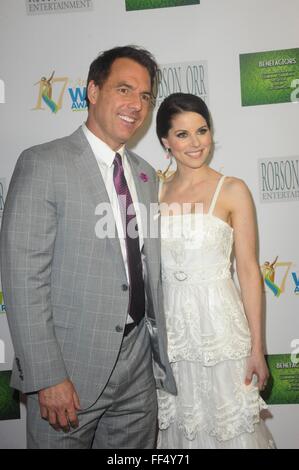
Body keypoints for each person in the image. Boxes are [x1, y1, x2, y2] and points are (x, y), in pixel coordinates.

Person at [0, 45, 176, 449]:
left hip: (138, 369)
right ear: (93, 91)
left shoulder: (147, 176)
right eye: (125, 90)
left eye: (146, 96)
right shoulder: (44, 163)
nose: (137, 105)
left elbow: (144, 271)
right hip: (69, 370)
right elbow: (24, 279)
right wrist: (47, 376)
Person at [155, 92, 276, 449]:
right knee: (180, 426)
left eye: (202, 131)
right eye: (182, 134)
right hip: (173, 336)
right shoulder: (154, 193)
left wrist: (258, 347)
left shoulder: (233, 190)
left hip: (222, 332)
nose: (196, 143)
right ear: (166, 141)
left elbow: (250, 273)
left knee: (231, 428)